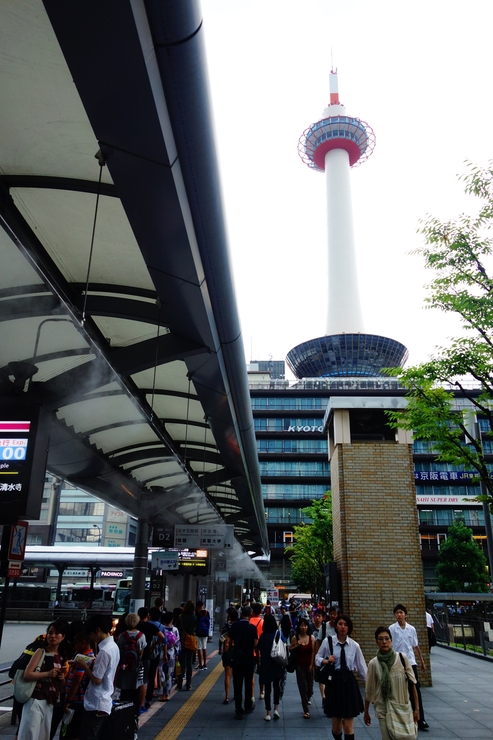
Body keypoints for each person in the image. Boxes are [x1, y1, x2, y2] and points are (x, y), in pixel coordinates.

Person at [315, 613, 367, 740]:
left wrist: (370, 686)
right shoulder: (328, 642)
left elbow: (362, 668)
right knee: (337, 727)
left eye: (345, 624)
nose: (343, 627)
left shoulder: (354, 645)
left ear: (349, 627)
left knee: (348, 726)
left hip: (349, 683)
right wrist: (326, 661)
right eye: (340, 624)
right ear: (336, 626)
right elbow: (317, 658)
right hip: (334, 683)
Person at [364, 626, 419, 740]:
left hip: (403, 707)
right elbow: (369, 690)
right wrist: (366, 712)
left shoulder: (402, 659)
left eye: (387, 638)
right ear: (376, 642)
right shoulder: (374, 664)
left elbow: (413, 684)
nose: (384, 642)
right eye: (380, 639)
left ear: (391, 640)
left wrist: (416, 709)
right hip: (384, 709)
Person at [17, 620, 68, 740]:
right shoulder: (41, 651)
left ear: (63, 636)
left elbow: (60, 684)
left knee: (42, 735)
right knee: (30, 734)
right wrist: (47, 674)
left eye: (57, 633)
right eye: (50, 633)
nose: (53, 636)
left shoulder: (61, 656)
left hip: (49, 701)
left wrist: (61, 679)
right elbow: (27, 674)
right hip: (36, 699)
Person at [77, 614, 120, 740]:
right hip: (105, 700)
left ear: (98, 630)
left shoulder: (104, 651)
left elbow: (97, 680)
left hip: (96, 702)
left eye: (91, 635)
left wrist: (84, 666)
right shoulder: (114, 647)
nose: (92, 638)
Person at [389, 604, 429, 732]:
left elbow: (415, 646)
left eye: (401, 612)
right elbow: (389, 646)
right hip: (397, 661)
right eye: (397, 613)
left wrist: (422, 661)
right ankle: (400, 718)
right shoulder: (392, 629)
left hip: (411, 662)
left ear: (405, 614)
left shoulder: (411, 629)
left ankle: (420, 718)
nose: (399, 615)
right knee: (399, 689)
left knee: (415, 689)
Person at [60, 631, 94, 740]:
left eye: (75, 643)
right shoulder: (91, 656)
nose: (74, 646)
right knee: (75, 731)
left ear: (83, 642)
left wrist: (68, 700)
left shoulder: (82, 659)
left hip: (75, 700)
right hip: (82, 700)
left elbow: (77, 680)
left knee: (70, 732)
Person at [115, 613, 146, 725]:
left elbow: (120, 650)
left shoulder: (123, 636)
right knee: (136, 693)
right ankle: (135, 717)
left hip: (124, 669)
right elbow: (141, 651)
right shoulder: (141, 636)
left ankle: (124, 718)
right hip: (136, 670)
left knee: (124, 693)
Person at [228, 605, 258, 719]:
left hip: (237, 659)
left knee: (237, 684)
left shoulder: (235, 625)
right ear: (250, 614)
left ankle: (238, 709)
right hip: (249, 659)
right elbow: (255, 643)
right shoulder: (252, 627)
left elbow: (230, 640)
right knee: (248, 683)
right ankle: (248, 706)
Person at [257, 614, 284, 721]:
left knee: (267, 689)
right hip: (277, 663)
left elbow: (259, 648)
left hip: (266, 664)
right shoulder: (278, 634)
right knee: (276, 687)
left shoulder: (263, 636)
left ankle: (268, 712)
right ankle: (276, 709)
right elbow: (284, 643)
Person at [137, 607, 164, 711]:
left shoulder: (136, 626)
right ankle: (147, 701)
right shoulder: (150, 626)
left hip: (136, 656)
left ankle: (136, 701)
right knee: (147, 678)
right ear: (147, 615)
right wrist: (154, 645)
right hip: (148, 655)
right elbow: (162, 636)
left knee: (137, 679)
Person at [290, 617, 315, 718]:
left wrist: (312, 664)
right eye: (301, 626)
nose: (303, 628)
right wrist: (297, 646)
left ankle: (307, 699)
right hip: (299, 666)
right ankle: (306, 710)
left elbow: (313, 652)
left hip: (309, 665)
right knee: (303, 688)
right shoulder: (295, 638)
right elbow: (290, 649)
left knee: (310, 689)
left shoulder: (311, 638)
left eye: (305, 626)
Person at [159, 612, 179, 701]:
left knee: (161, 673)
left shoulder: (160, 628)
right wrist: (177, 653)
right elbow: (177, 644)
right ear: (172, 620)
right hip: (171, 654)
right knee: (169, 674)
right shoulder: (175, 630)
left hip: (161, 653)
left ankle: (162, 693)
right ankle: (167, 694)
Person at [177, 600, 197, 691]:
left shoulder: (180, 617)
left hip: (181, 641)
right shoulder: (194, 617)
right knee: (189, 663)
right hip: (191, 641)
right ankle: (188, 684)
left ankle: (179, 684)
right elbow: (195, 628)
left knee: (181, 663)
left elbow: (177, 628)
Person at [310, 608, 327, 707]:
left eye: (319, 616)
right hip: (312, 655)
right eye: (316, 616)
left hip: (323, 656)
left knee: (321, 678)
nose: (317, 618)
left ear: (322, 618)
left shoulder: (324, 628)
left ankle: (324, 697)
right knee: (312, 676)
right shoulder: (310, 628)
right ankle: (309, 693)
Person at [221, 608, 238, 704]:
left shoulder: (226, 626)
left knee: (227, 674)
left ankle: (227, 696)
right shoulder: (238, 626)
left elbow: (221, 638)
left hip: (227, 651)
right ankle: (236, 694)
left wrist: (220, 648)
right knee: (236, 673)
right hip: (236, 652)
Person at [195, 601, 210, 670]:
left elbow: (196, 623)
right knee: (204, 647)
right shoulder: (207, 612)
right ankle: (205, 664)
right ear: (202, 605)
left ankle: (200, 664)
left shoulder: (197, 613)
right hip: (205, 632)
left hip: (198, 632)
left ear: (198, 606)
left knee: (199, 648)